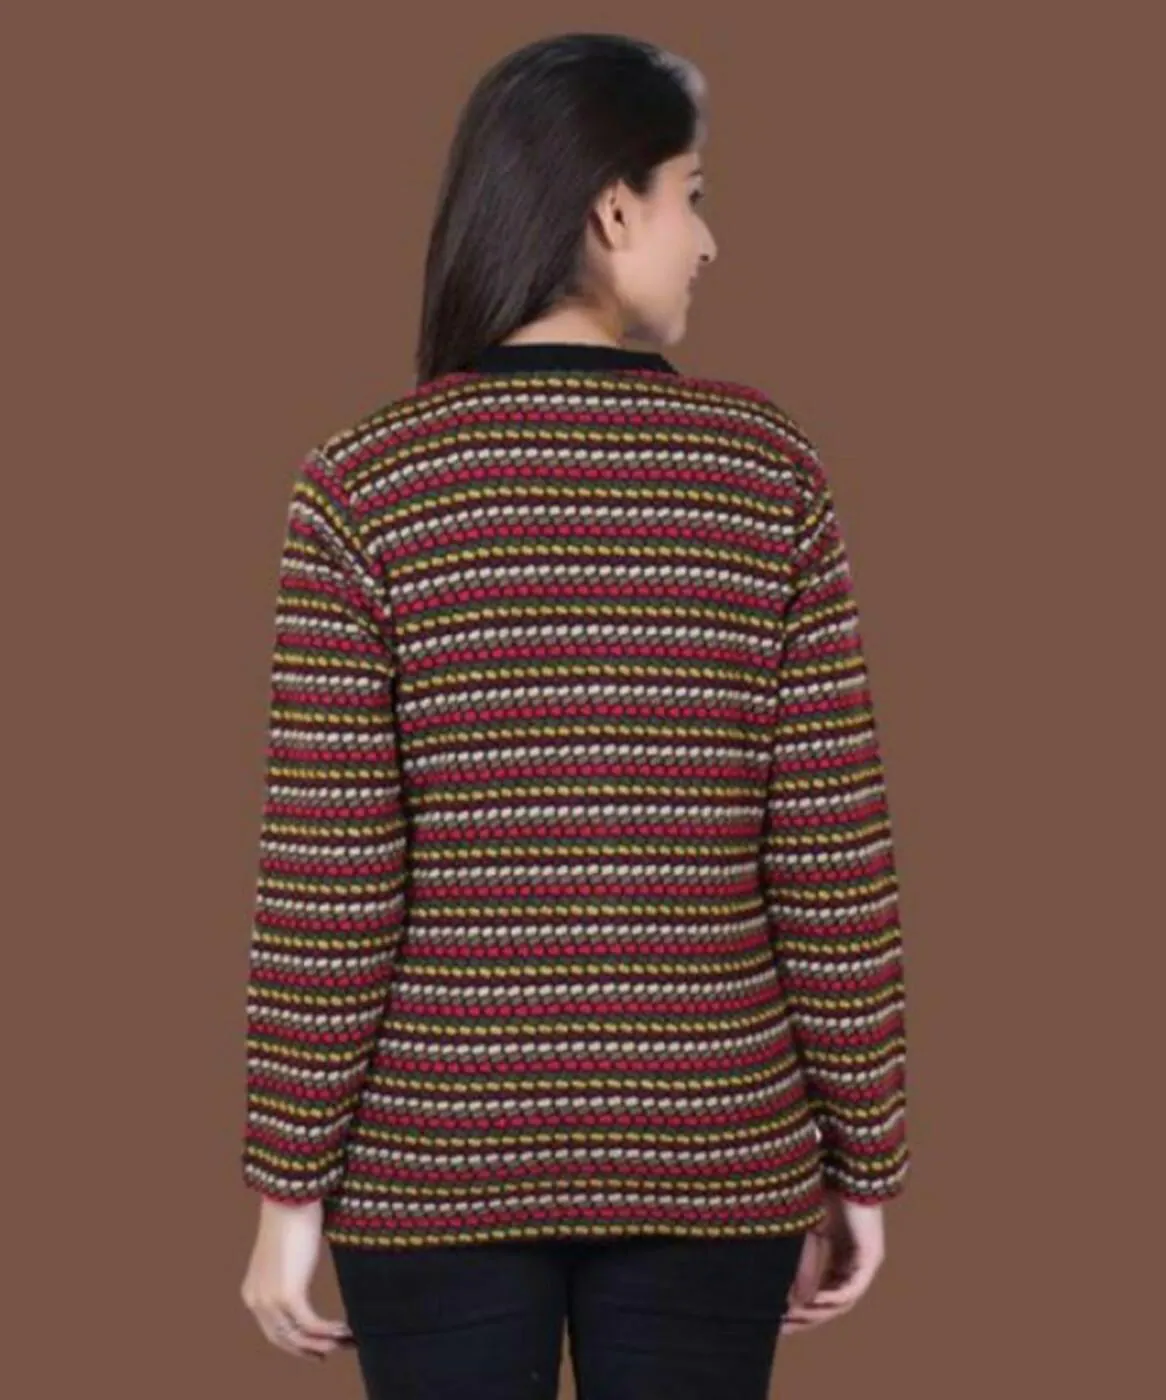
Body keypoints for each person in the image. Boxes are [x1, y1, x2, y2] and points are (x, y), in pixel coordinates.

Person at [238, 30, 909, 1400]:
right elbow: (830, 858)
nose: (707, 241)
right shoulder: (766, 474)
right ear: (614, 207)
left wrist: (286, 1195)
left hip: (433, 1155)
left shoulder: (366, 485)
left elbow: (331, 876)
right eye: (692, 195)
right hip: (711, 1143)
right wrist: (864, 1159)